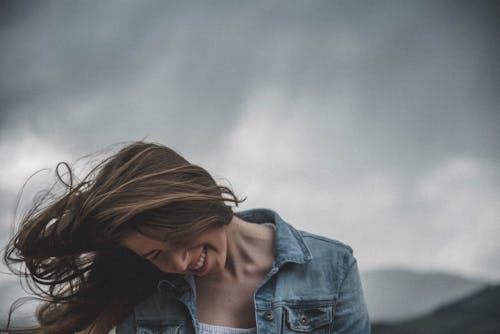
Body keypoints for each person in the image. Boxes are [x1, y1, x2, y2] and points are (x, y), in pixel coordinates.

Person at [3, 141, 370, 334]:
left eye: (173, 240)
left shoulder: (331, 268)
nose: (177, 264)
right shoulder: (145, 293)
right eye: (154, 256)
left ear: (191, 203)